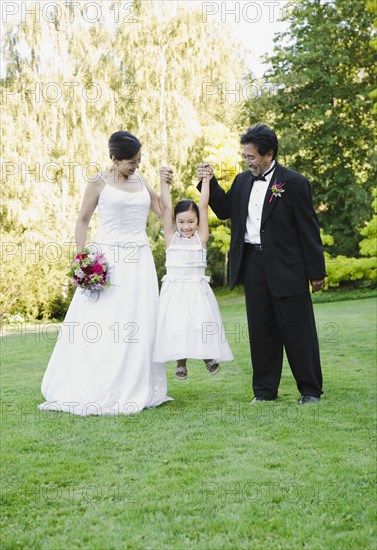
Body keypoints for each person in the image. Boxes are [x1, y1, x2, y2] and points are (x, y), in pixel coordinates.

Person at [39, 131, 173, 415]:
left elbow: (162, 210)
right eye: (130, 162)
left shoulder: (140, 181)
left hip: (139, 259)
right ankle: (97, 383)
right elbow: (83, 220)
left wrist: (164, 185)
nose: (136, 166)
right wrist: (82, 257)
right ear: (114, 159)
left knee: (138, 319)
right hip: (108, 259)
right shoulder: (98, 182)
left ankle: (136, 383)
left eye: (139, 160)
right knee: (105, 321)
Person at [197, 124, 326, 404]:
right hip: (253, 265)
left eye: (252, 157)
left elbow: (308, 230)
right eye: (245, 157)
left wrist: (317, 272)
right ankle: (265, 392)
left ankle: (310, 391)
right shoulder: (243, 181)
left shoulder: (295, 183)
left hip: (288, 267)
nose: (247, 162)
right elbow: (224, 210)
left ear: (269, 154)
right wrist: (209, 182)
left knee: (297, 331)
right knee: (261, 330)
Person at [153, 167, 233, 380]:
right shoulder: (171, 237)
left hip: (196, 287)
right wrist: (164, 181)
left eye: (190, 221)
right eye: (181, 222)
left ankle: (208, 357)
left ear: (197, 222)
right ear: (175, 222)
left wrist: (206, 179)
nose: (186, 226)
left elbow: (203, 205)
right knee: (178, 325)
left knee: (200, 323)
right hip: (175, 288)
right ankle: (181, 362)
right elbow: (167, 206)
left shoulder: (201, 238)